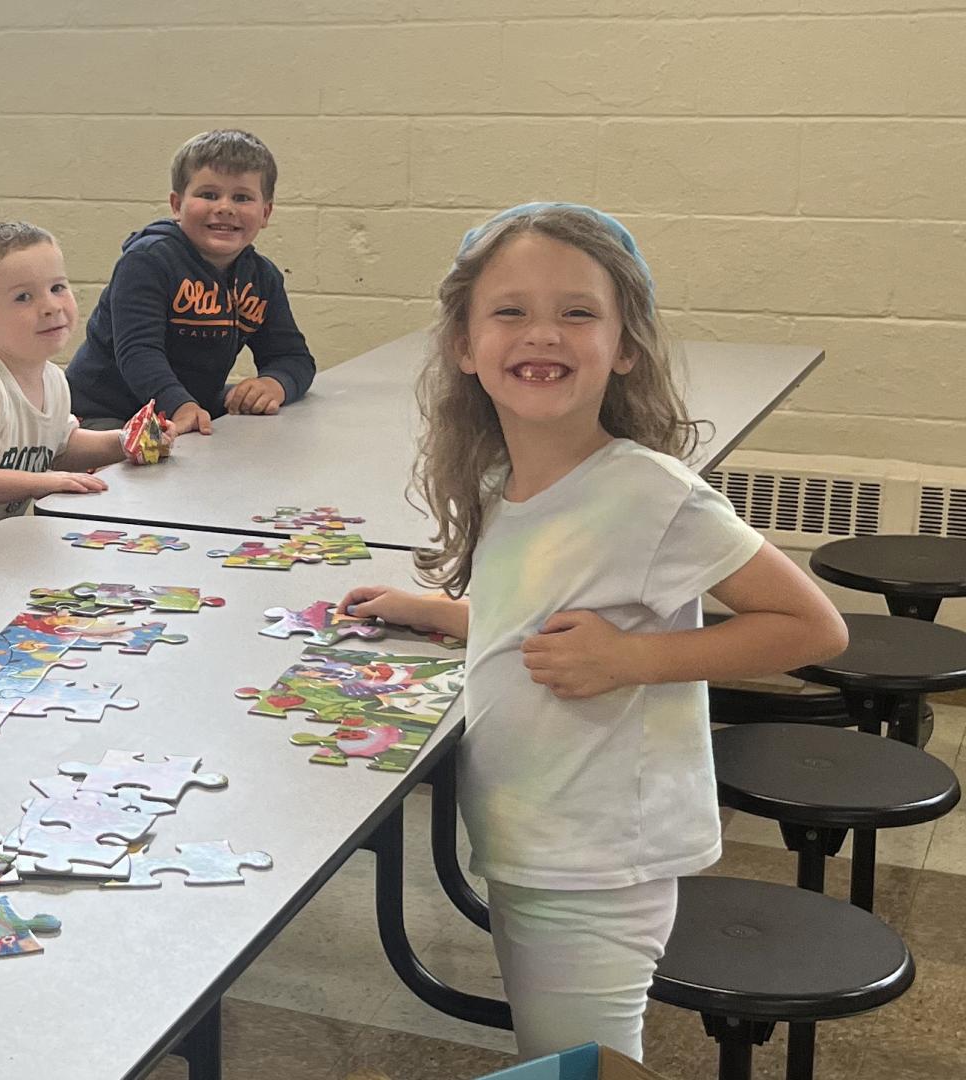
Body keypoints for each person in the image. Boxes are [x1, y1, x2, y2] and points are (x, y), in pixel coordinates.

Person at [336, 203, 847, 1062]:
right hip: (534, 839)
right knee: (556, 1058)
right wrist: (440, 612)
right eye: (510, 310)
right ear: (464, 345)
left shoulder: (648, 492)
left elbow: (813, 627)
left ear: (625, 344)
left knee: (582, 1070)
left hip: (598, 860)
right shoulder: (503, 481)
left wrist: (632, 658)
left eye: (578, 312)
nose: (543, 333)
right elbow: (539, 617)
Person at [64, 129, 315, 435]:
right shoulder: (147, 261)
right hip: (105, 411)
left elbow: (293, 357)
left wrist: (273, 384)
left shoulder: (262, 278)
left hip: (190, 404)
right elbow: (139, 352)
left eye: (242, 197)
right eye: (208, 195)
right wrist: (180, 406)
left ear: (265, 213)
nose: (225, 207)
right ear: (176, 204)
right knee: (145, 456)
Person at [0, 221, 174, 526]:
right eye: (23, 297)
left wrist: (125, 441)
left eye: (57, 288)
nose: (50, 306)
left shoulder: (53, 379)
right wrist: (43, 482)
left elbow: (62, 447)